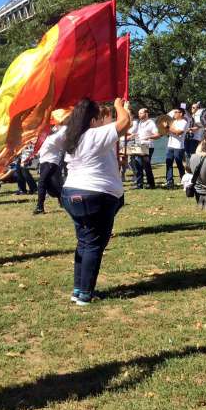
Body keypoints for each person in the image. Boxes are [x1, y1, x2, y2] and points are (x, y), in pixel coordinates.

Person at [61, 97, 131, 305]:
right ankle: (85, 294)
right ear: (92, 120)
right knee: (94, 244)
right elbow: (125, 123)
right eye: (99, 117)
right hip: (95, 194)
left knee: (84, 242)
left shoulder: (73, 136)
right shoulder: (93, 134)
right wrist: (120, 106)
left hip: (72, 192)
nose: (102, 120)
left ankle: (78, 289)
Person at [34, 125, 66, 215]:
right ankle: (61, 198)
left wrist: (61, 124)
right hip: (44, 163)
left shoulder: (56, 137)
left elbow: (65, 128)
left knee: (41, 182)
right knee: (50, 187)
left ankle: (40, 207)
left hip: (51, 162)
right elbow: (40, 151)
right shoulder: (46, 138)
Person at [128, 108, 159, 190]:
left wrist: (148, 137)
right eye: (139, 113)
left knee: (146, 166)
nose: (139, 115)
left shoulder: (151, 123)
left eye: (141, 113)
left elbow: (157, 135)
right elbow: (139, 133)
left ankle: (151, 184)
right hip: (139, 145)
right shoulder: (140, 123)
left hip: (147, 146)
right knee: (138, 166)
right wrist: (133, 135)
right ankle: (139, 185)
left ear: (146, 114)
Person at [164, 108, 189, 189]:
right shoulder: (174, 122)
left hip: (178, 146)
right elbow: (170, 132)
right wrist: (165, 129)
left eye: (176, 112)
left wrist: (168, 127)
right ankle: (169, 181)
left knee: (179, 164)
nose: (174, 114)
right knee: (168, 163)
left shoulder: (184, 122)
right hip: (170, 145)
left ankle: (184, 180)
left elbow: (178, 132)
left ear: (181, 113)